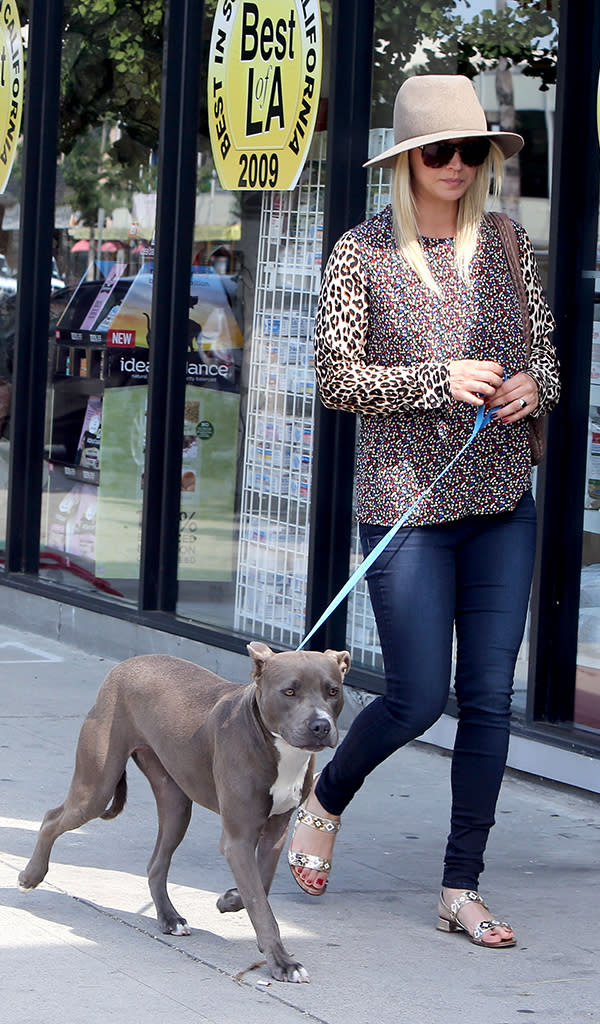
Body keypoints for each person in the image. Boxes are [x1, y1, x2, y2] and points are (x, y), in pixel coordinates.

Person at [288, 74, 560, 948]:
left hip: (501, 503)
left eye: (470, 149)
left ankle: (460, 887)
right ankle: (325, 796)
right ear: (406, 160)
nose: (455, 164)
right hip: (405, 505)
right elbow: (335, 380)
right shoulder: (362, 253)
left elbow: (550, 363)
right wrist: (433, 379)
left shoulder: (511, 246)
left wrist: (530, 387)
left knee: (487, 699)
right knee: (416, 698)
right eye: (438, 150)